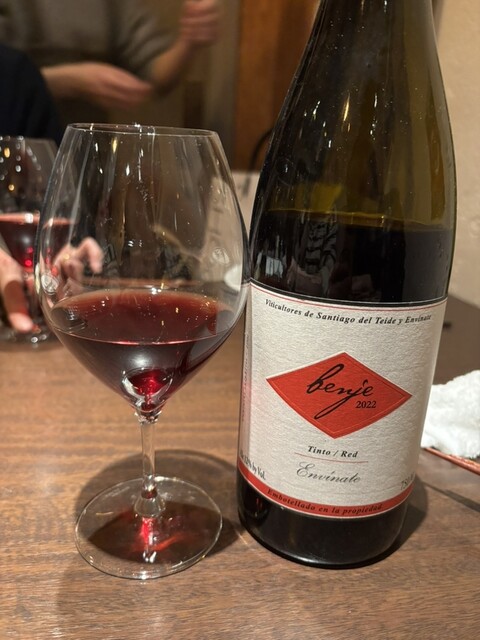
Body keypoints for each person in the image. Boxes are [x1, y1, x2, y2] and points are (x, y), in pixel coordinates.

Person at [0, 0, 221, 127]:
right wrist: (69, 81)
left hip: (86, 157)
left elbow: (156, 72)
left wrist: (189, 41)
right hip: (21, 155)